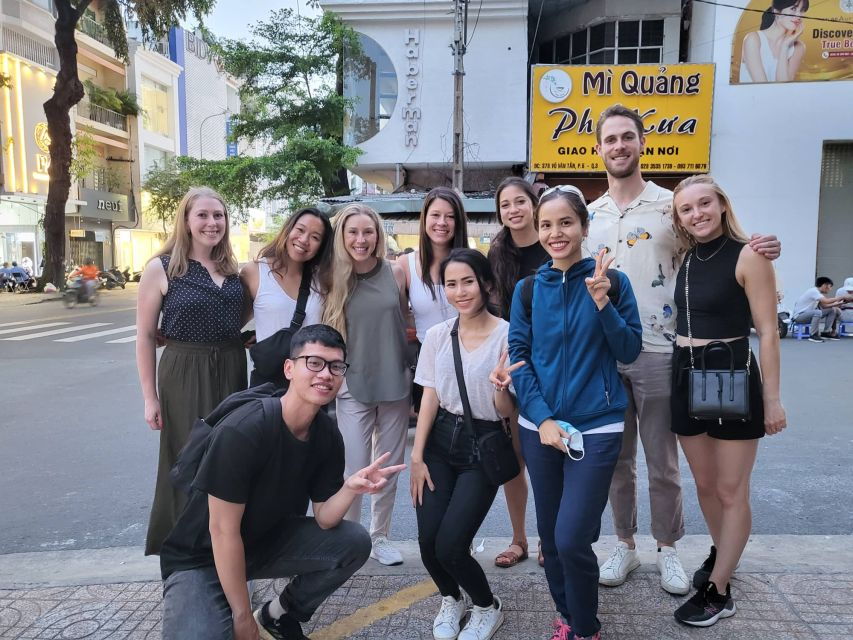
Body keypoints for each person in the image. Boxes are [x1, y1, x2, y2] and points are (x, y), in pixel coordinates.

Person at [589, 104, 781, 595]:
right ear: (598, 149)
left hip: (662, 351)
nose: (619, 146)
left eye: (627, 136)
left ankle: (668, 549)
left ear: (641, 142)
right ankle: (625, 544)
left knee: (663, 462)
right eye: (610, 139)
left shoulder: (670, 206)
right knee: (616, 460)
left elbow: (717, 245)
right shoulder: (589, 216)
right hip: (605, 354)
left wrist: (761, 247)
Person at [160, 324, 406, 640]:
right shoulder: (245, 430)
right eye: (314, 363)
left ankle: (278, 614)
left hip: (264, 543)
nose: (326, 374)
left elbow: (325, 519)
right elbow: (222, 531)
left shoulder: (326, 434)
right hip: (201, 558)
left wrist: (349, 488)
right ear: (289, 369)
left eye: (336, 366)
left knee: (355, 541)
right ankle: (230, 604)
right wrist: (242, 617)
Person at [509, 186, 642, 640]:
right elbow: (519, 358)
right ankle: (568, 617)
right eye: (546, 225)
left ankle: (586, 629)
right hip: (540, 428)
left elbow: (629, 349)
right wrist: (543, 419)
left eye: (566, 223)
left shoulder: (614, 283)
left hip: (598, 425)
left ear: (584, 228)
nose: (555, 233)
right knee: (550, 540)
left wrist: (602, 303)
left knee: (571, 538)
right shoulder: (528, 290)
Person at [669, 175, 787, 626]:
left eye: (704, 204)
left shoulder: (750, 254)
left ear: (721, 205)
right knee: (703, 485)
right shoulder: (684, 255)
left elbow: (770, 332)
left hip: (729, 371)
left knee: (730, 489)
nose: (696, 213)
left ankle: (719, 590)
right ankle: (725, 556)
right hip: (684, 370)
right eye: (686, 208)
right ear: (678, 217)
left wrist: (771, 400)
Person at [411, 249, 519, 640]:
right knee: (426, 541)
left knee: (451, 545)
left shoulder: (508, 334)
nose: (460, 291)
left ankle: (488, 607)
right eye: (451, 284)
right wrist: (417, 455)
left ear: (486, 283)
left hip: (482, 447)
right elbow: (430, 396)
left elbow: (505, 410)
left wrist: (500, 386)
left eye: (468, 282)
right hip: (439, 443)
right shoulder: (439, 336)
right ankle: (450, 598)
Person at [136, 187, 247, 556]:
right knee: (186, 457)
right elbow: (146, 335)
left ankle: (224, 546)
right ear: (186, 220)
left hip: (231, 369)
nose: (211, 223)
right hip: (184, 371)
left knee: (229, 458)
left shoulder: (235, 271)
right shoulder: (163, 268)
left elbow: (241, 314)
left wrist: (237, 338)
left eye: (219, 215)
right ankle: (183, 550)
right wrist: (150, 398)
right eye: (202, 215)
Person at [323, 203, 411, 566]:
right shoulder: (330, 276)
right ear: (342, 236)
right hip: (353, 384)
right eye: (353, 232)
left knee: (387, 467)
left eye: (368, 231)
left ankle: (380, 537)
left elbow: (406, 319)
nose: (361, 239)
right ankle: (351, 540)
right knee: (354, 469)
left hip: (395, 380)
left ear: (378, 234)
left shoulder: (397, 272)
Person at [487, 176, 545, 569]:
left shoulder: (553, 242)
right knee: (513, 457)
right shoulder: (497, 252)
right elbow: (492, 310)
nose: (513, 210)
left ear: (533, 204)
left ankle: (548, 540)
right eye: (505, 205)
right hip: (512, 359)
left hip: (554, 362)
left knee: (545, 454)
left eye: (519, 202)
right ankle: (519, 538)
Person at [241, 207, 332, 386]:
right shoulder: (255, 271)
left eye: (315, 237)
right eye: (300, 230)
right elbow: (234, 321)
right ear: (288, 229)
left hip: (312, 381)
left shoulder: (324, 279)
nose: (304, 240)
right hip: (268, 382)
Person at [398, 187, 468, 413]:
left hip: (469, 360)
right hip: (428, 364)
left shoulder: (471, 262)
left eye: (450, 216)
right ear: (425, 219)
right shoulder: (404, 264)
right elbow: (400, 316)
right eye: (436, 215)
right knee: (431, 436)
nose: (442, 222)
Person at [739, 0, 808, 83]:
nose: (799, 15)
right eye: (793, 8)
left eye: (802, 10)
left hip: (779, 96)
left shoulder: (798, 47)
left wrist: (784, 46)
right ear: (777, 11)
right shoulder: (753, 39)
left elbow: (785, 87)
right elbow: (762, 87)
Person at [792, 277, 846, 342]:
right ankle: (813, 335)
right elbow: (826, 301)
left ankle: (826, 332)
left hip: (808, 315)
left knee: (832, 310)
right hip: (799, 317)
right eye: (830, 286)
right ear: (824, 285)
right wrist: (841, 297)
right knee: (817, 312)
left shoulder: (817, 293)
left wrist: (839, 303)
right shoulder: (814, 291)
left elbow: (824, 306)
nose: (830, 289)